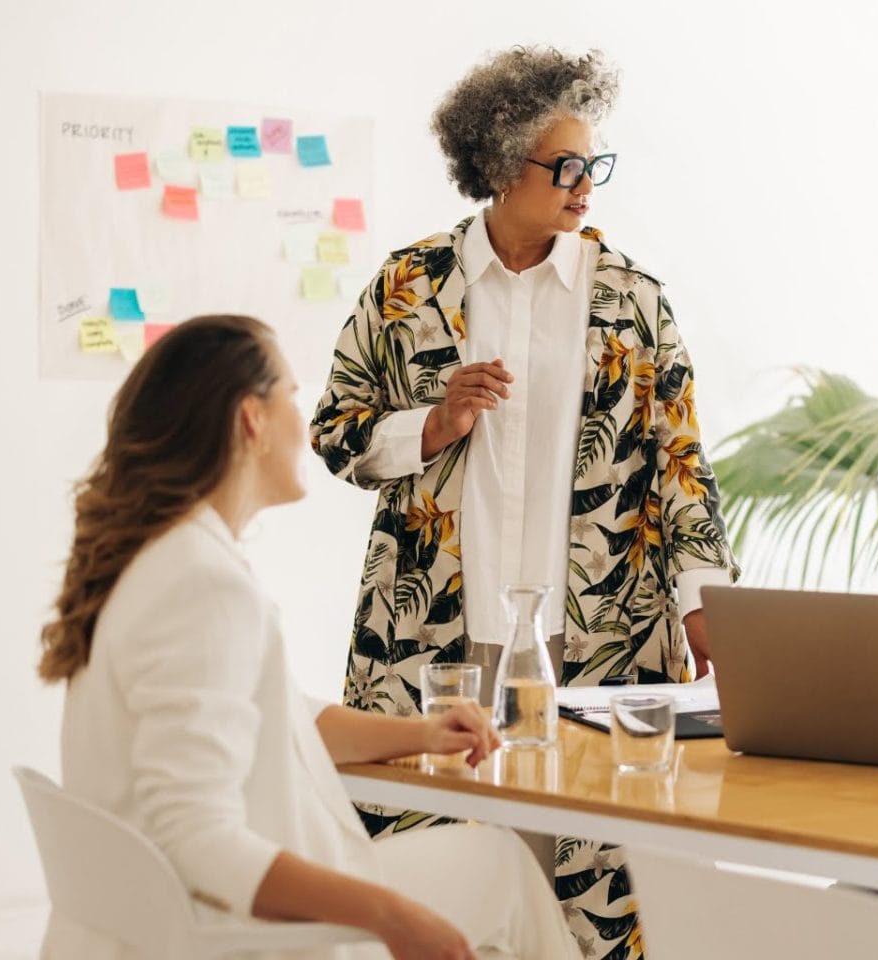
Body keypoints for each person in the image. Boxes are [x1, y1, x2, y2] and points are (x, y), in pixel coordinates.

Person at [309, 46, 736, 958]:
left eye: (594, 165)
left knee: (594, 889)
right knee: (447, 886)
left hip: (601, 639)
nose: (587, 187)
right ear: (501, 165)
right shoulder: (407, 286)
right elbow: (334, 428)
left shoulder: (634, 303)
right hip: (437, 644)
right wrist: (432, 423)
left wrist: (707, 613)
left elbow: (681, 468)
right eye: (565, 167)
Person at [37, 315, 579, 960]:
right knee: (503, 869)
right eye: (292, 395)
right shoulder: (200, 586)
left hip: (166, 922)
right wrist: (394, 916)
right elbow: (196, 837)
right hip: (234, 935)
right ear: (250, 419)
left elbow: (282, 719)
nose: (306, 419)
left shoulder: (160, 561)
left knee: (494, 861)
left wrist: (421, 734)